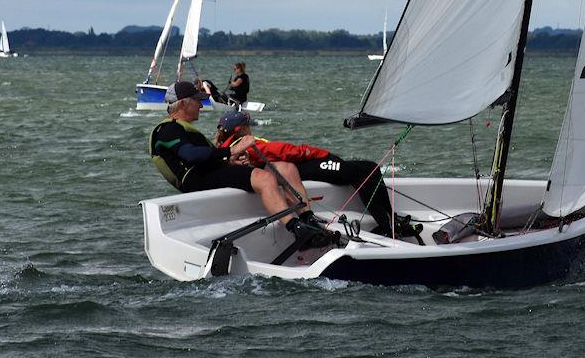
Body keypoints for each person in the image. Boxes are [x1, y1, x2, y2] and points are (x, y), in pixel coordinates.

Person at [149, 81, 337, 247]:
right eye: (197, 100)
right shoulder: (167, 130)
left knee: (285, 167)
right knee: (263, 178)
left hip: (210, 173)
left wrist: (229, 160)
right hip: (197, 180)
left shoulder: (181, 129)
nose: (201, 104)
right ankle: (297, 230)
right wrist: (232, 151)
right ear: (183, 103)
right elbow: (190, 156)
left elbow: (207, 157)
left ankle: (307, 218)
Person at [214, 109, 420, 240]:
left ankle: (391, 220)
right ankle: (387, 226)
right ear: (241, 129)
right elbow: (284, 151)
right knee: (361, 172)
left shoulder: (230, 146)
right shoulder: (242, 145)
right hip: (306, 167)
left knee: (370, 167)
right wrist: (323, 154)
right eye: (248, 124)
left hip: (304, 166)